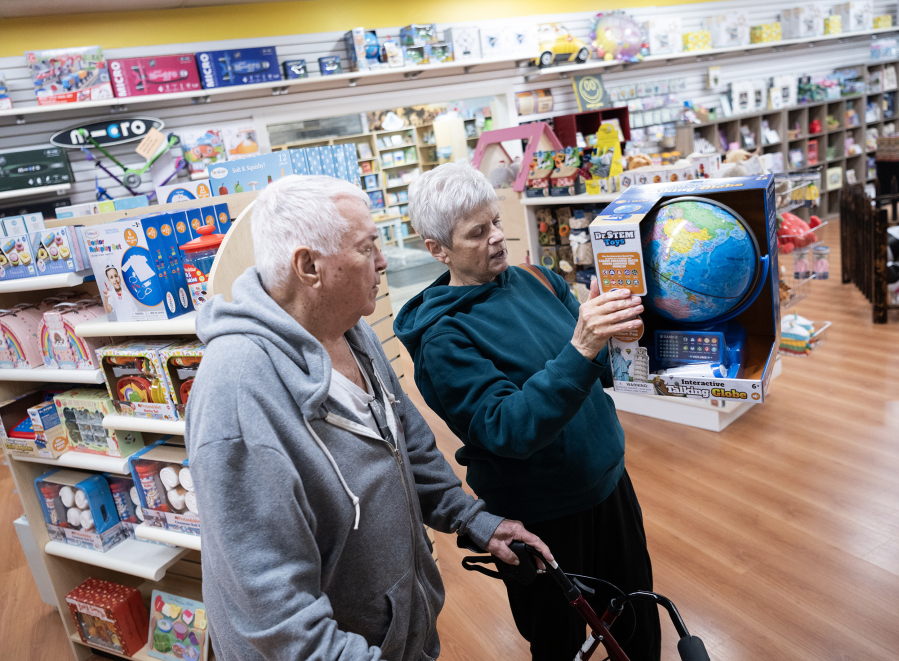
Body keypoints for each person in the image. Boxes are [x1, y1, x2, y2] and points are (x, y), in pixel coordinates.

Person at [185, 175, 551, 661]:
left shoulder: (354, 334)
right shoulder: (238, 392)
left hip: (399, 635)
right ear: (309, 267)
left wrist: (472, 519)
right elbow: (275, 615)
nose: (383, 261)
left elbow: (409, 445)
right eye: (367, 247)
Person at [394, 163, 661, 661]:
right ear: (437, 249)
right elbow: (508, 428)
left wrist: (617, 334)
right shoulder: (443, 339)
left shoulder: (538, 278)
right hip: (544, 519)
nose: (497, 238)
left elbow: (597, 371)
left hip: (610, 483)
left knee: (639, 620)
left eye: (496, 222)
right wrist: (581, 348)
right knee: (563, 642)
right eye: (477, 232)